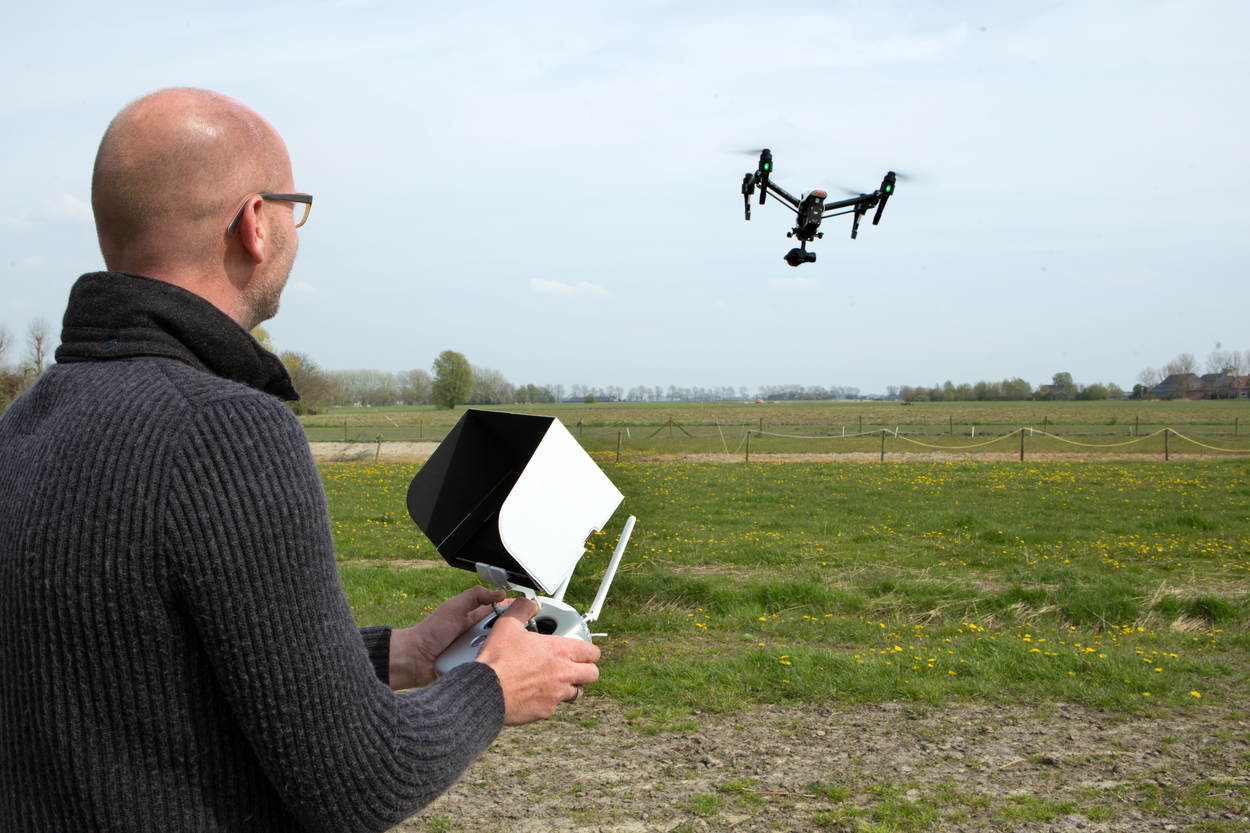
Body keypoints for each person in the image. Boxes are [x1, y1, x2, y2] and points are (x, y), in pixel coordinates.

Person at [0, 88, 600, 833]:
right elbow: (358, 780)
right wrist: (491, 685)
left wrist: (399, 652)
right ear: (255, 222)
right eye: (295, 205)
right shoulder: (224, 431)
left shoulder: (29, 416)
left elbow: (137, 662)